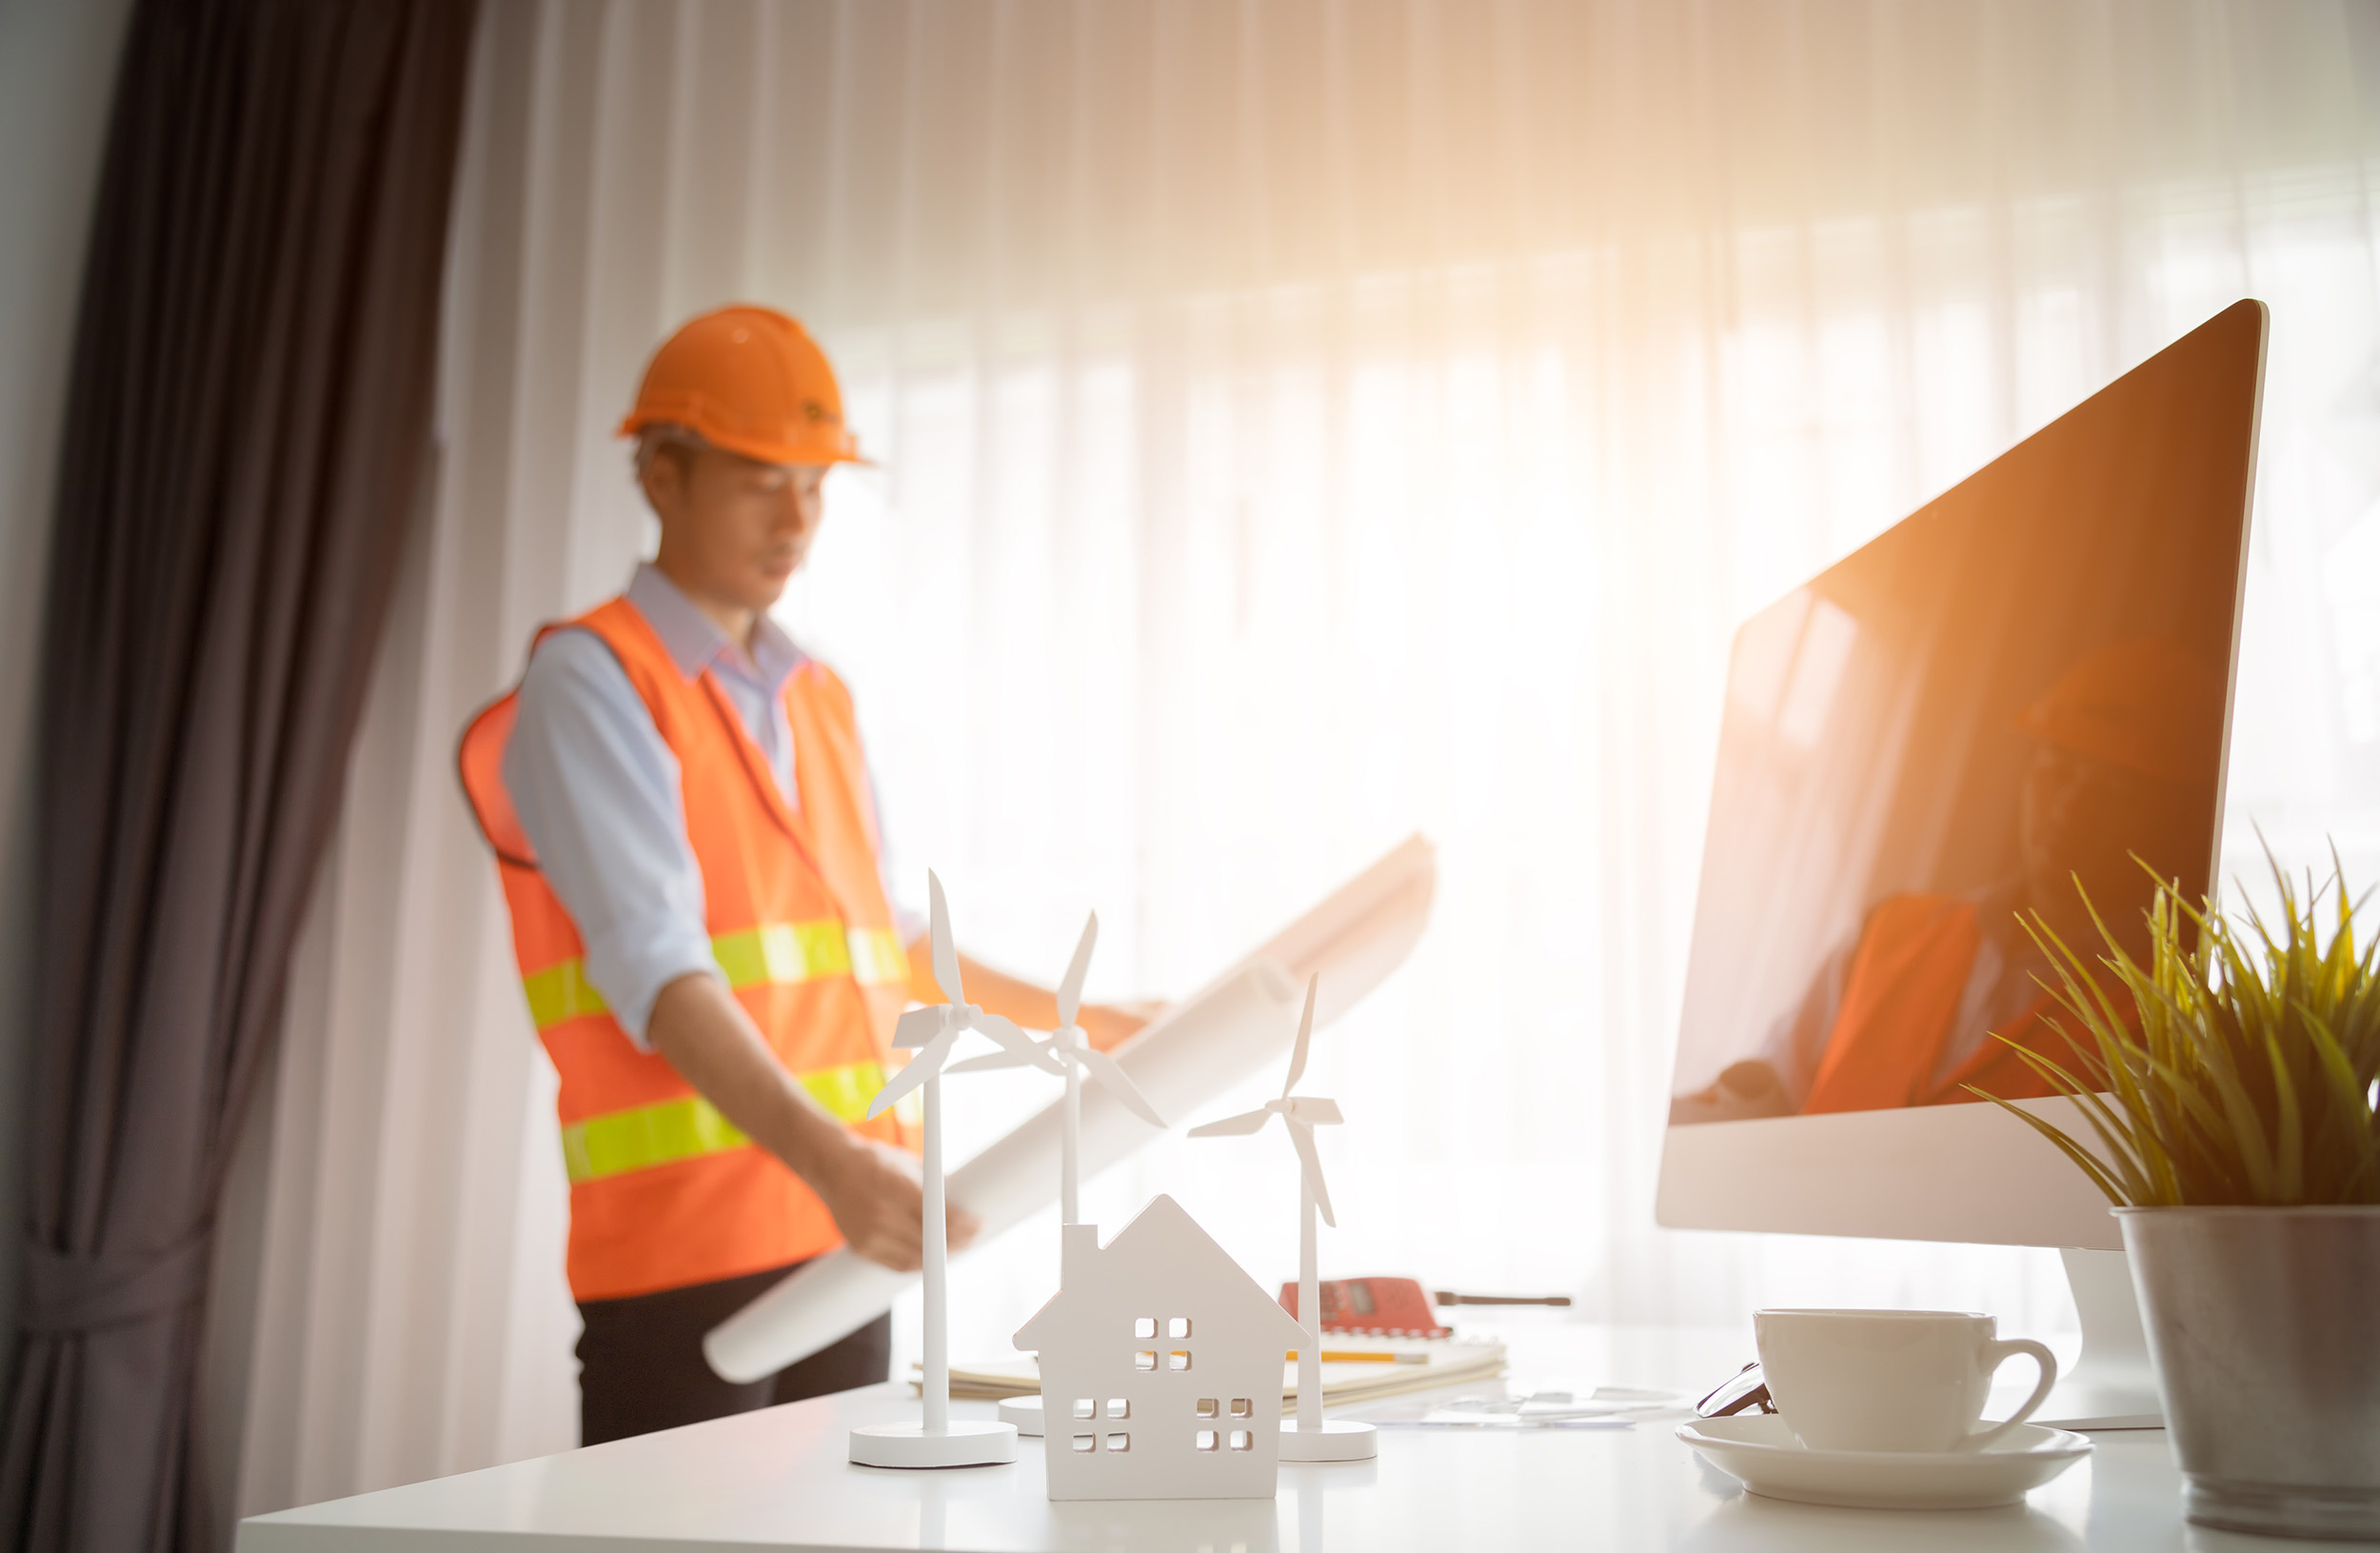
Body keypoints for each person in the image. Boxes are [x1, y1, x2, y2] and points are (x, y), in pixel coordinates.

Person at [459, 305, 1147, 1443]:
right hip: (692, 1265)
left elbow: (890, 950)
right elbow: (659, 969)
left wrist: (1102, 1025)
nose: (797, 520)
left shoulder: (817, 696)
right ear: (662, 476)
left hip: (840, 1236)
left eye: (817, 487)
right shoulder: (592, 680)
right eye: (758, 481)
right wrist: (840, 1164)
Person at [1672, 637, 2224, 1123]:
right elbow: (1768, 1095)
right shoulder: (1892, 930)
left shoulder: (2170, 1021)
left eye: (2116, 792)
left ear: (2174, 819)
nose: (2070, 810)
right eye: (2056, 769)